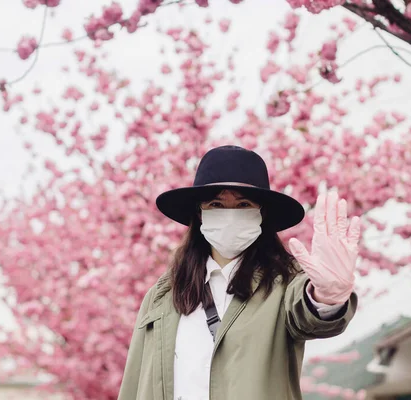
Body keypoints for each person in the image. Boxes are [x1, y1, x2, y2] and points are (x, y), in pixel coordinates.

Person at [117, 145, 360, 400]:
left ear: (261, 214)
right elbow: (135, 380)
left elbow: (308, 317)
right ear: (200, 213)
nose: (230, 214)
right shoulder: (161, 297)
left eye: (243, 204)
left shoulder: (284, 285)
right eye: (216, 204)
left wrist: (326, 297)